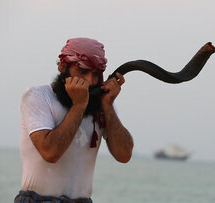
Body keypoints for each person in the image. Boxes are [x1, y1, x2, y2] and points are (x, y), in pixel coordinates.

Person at [14, 38, 134, 202]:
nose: (90, 82)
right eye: (83, 72)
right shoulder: (38, 96)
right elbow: (50, 152)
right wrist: (79, 105)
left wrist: (108, 106)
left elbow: (124, 155)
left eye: (96, 75)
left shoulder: (102, 106)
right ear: (63, 66)